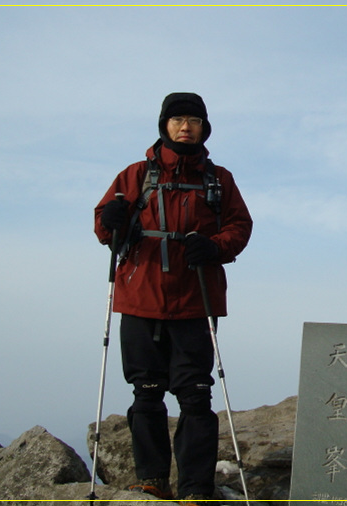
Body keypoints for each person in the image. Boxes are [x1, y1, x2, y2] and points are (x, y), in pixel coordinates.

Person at [94, 92, 252, 503]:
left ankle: (195, 488)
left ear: (204, 127)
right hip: (141, 296)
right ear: (164, 125)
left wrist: (215, 247)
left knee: (196, 394)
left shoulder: (219, 180)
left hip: (194, 299)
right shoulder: (135, 176)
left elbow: (240, 226)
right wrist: (110, 222)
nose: (186, 126)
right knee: (146, 391)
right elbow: (105, 225)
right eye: (179, 119)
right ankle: (152, 480)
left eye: (194, 120)